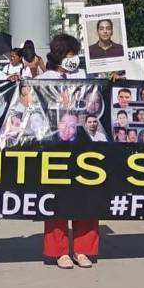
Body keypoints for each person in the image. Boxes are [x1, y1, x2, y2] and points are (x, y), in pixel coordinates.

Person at [37, 34, 98, 268]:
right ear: (60, 56)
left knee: (87, 197)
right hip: (55, 145)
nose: (74, 59)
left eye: (76, 55)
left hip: (82, 145)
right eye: (71, 55)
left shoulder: (82, 77)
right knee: (57, 199)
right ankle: (59, 251)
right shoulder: (44, 79)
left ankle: (83, 249)